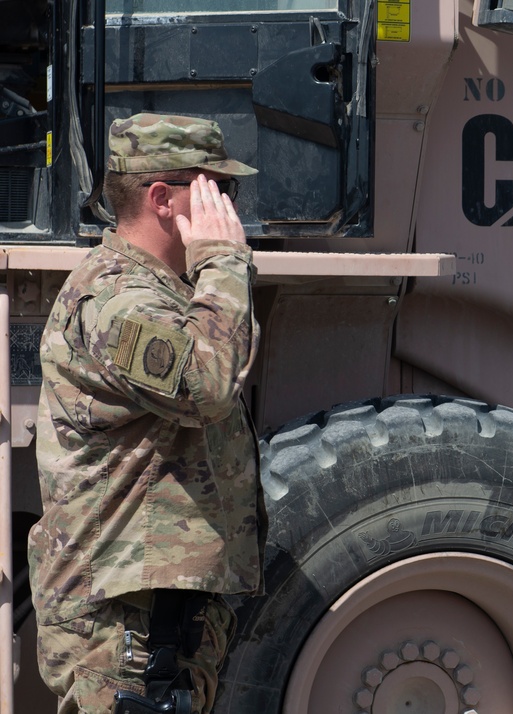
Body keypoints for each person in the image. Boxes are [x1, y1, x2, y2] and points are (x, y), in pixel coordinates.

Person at [27, 113, 267, 713]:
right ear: (162, 198)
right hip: (124, 629)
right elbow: (207, 382)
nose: (227, 207)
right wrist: (224, 262)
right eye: (214, 188)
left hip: (157, 617)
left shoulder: (163, 292)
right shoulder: (117, 301)